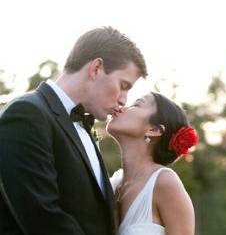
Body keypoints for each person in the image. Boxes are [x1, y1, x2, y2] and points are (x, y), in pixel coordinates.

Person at [0, 26, 147, 235]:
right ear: (96, 68)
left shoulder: (83, 125)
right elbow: (43, 219)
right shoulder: (27, 114)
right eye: (123, 85)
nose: (124, 100)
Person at [107, 92, 198, 235]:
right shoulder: (113, 183)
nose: (121, 107)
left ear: (154, 130)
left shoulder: (165, 182)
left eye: (136, 104)